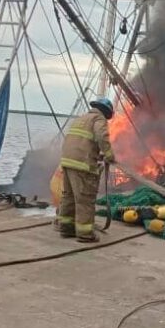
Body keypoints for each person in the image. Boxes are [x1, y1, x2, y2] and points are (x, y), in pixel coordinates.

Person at [56, 98, 116, 242]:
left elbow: (83, 141)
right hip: (82, 164)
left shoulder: (81, 119)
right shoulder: (99, 119)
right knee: (85, 199)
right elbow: (101, 136)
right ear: (106, 112)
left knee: (69, 197)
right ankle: (85, 234)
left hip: (67, 161)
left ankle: (66, 228)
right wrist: (109, 155)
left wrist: (96, 154)